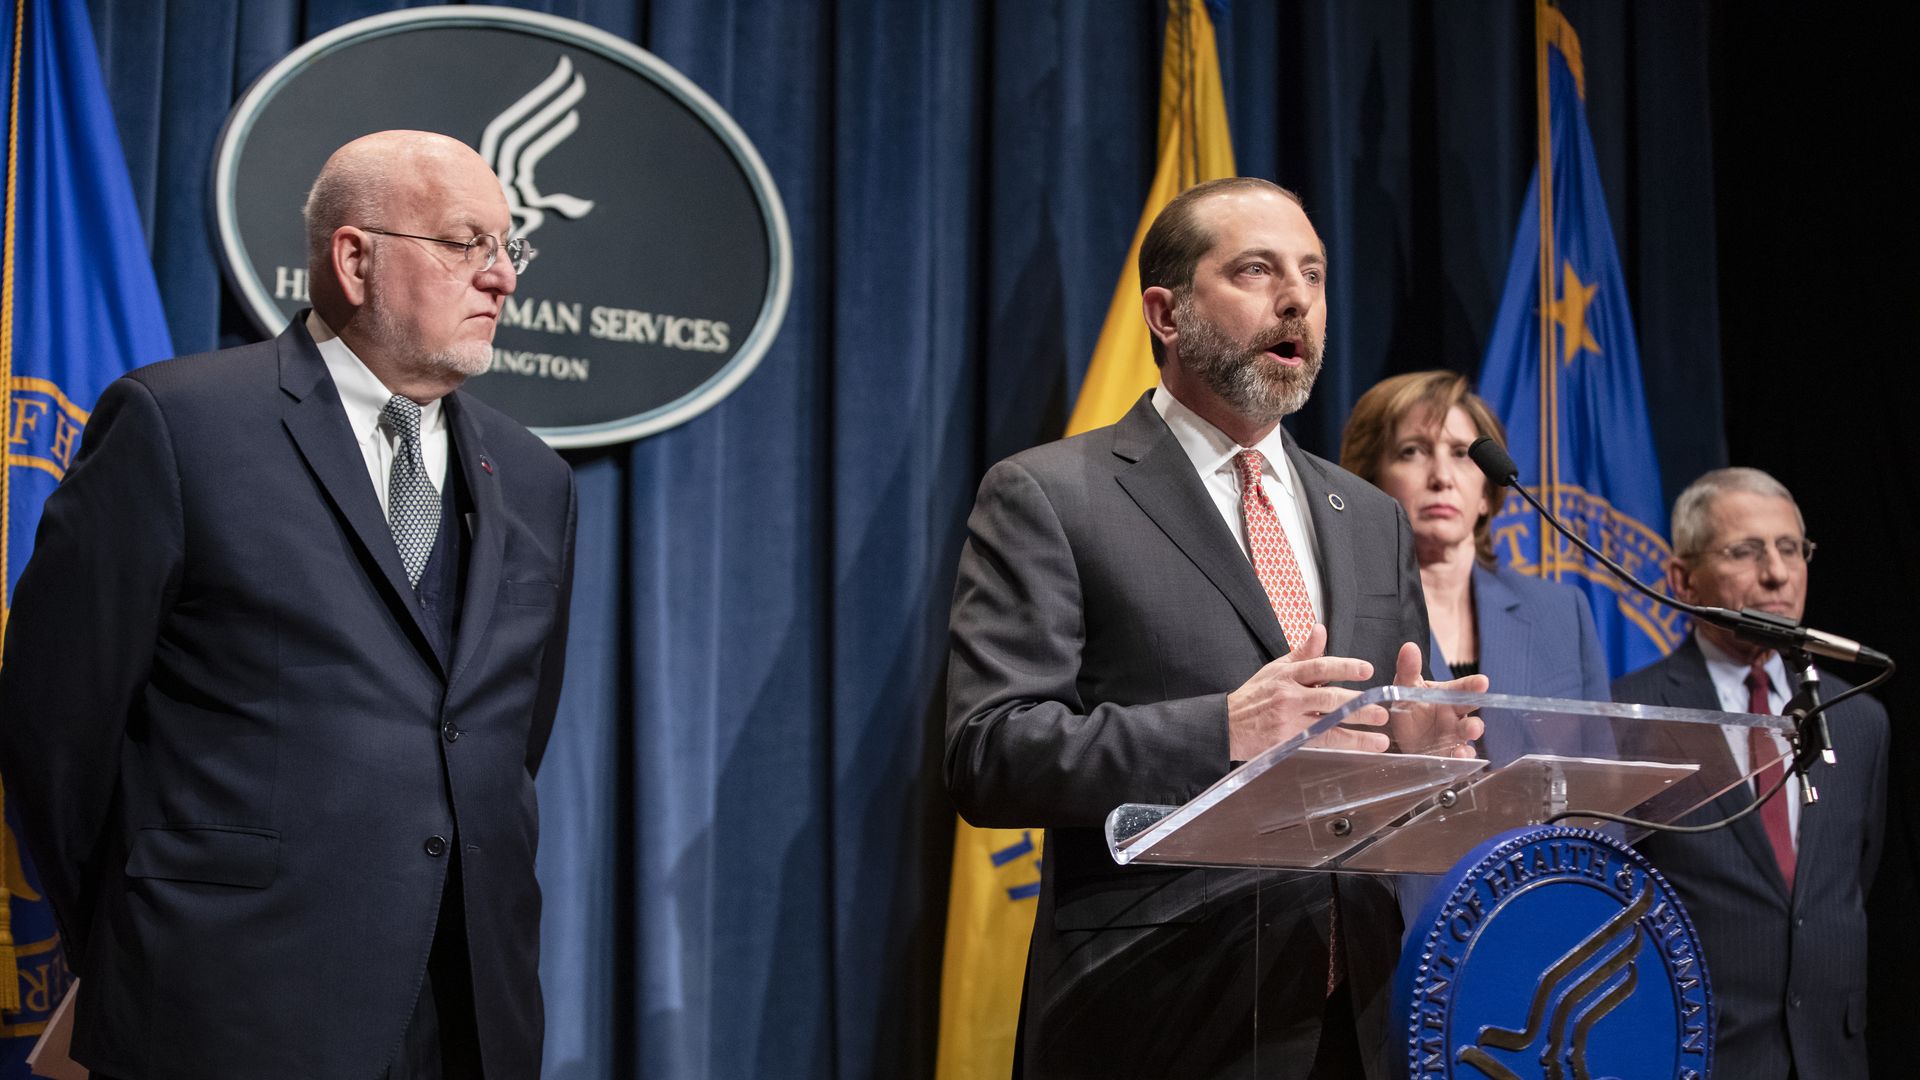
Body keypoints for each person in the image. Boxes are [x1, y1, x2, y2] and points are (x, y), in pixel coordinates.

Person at [0, 131, 576, 1080]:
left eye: (511, 248)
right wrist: (141, 937)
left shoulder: (534, 477)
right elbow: (53, 730)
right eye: (467, 242)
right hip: (224, 1006)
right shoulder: (179, 426)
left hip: (469, 1016)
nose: (503, 278)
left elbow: (504, 742)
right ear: (355, 259)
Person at [945, 177, 1484, 1080]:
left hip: (1357, 1022)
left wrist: (1413, 754)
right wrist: (1222, 730)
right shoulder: (1051, 493)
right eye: (1257, 270)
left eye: (1311, 275)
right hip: (1156, 1016)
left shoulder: (1367, 514)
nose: (1297, 300)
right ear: (1166, 313)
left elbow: (1358, 751)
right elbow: (988, 752)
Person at [1614, 468, 1886, 1080]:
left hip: (1832, 1055)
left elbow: (1850, 881)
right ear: (1683, 580)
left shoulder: (1861, 719)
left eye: (1792, 549)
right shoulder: (1631, 714)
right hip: (1697, 1054)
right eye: (1746, 551)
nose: (1778, 574)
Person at [1337, 371, 1611, 929]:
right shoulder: (1338, 614)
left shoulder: (1563, 615)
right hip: (1391, 928)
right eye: (1413, 452)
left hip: (1541, 916)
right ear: (1370, 483)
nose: (1441, 476)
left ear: (1488, 491)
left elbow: (1603, 797)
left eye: (1462, 455)